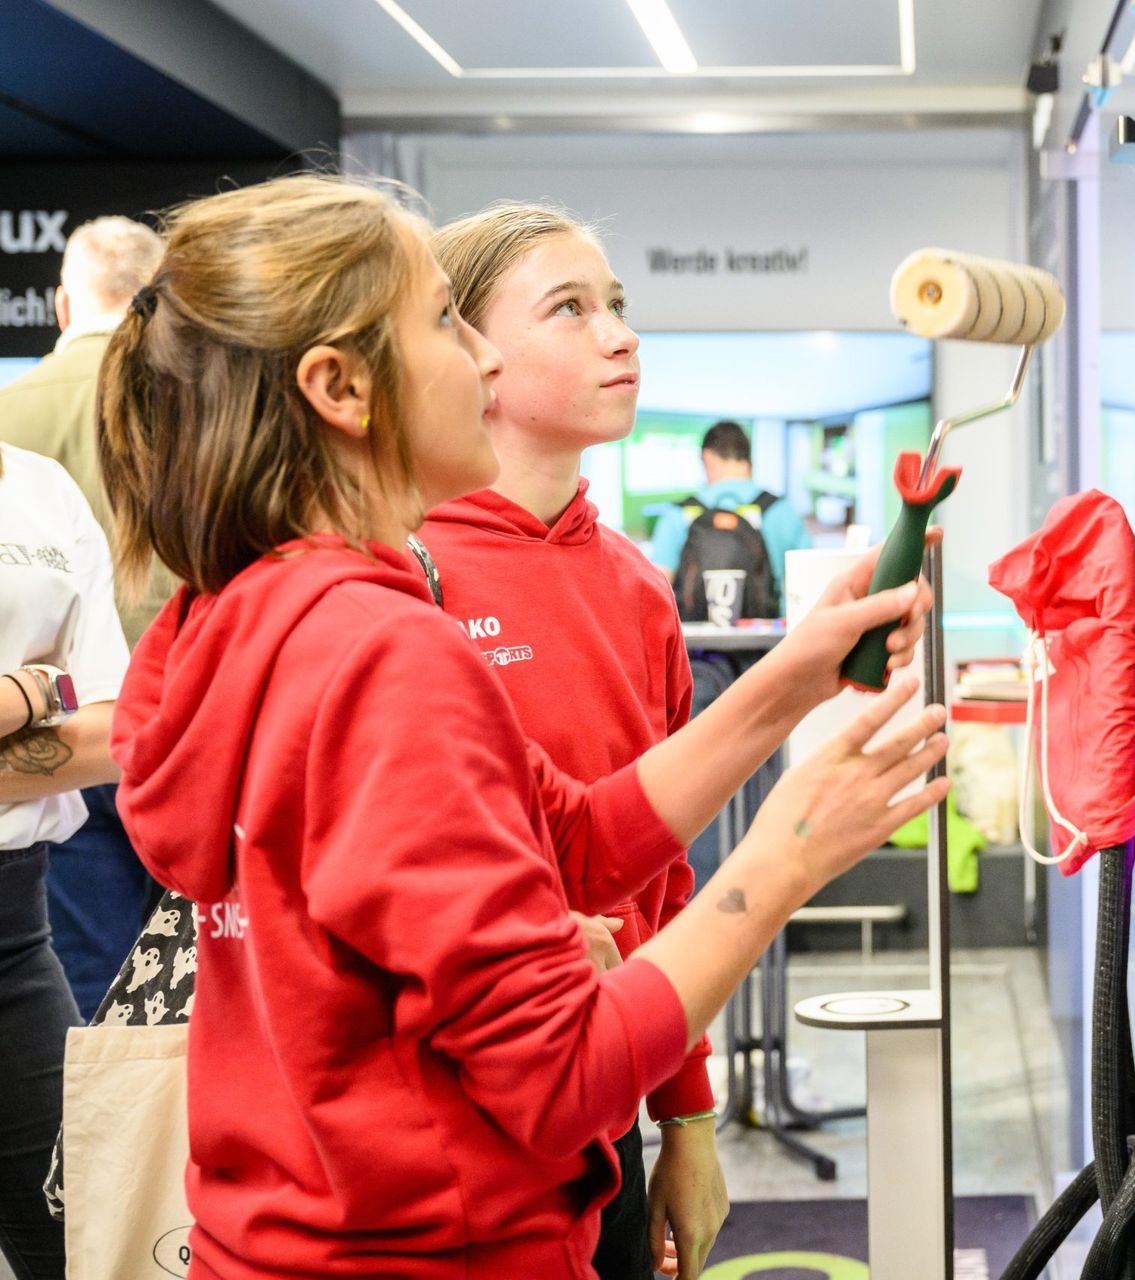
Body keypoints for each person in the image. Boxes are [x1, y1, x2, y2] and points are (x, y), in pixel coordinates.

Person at [94, 173, 949, 1279]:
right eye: (446, 322)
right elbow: (561, 1074)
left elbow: (578, 840)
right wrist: (790, 849)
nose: (483, 362)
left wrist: (791, 678)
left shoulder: (241, 612)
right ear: (341, 387)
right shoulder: (385, 652)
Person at [425, 204, 927, 1279]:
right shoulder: (404, 579)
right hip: (449, 1124)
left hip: (601, 1098)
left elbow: (645, 874)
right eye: (570, 308)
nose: (621, 334)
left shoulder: (637, 587)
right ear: (471, 354)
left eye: (617, 304)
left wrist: (684, 1115)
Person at [0, 214, 171, 1017]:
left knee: (94, 980)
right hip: (176, 717)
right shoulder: (202, 401)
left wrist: (34, 691)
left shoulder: (17, 410)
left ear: (63, 306)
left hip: (66, 742)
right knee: (186, 978)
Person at [0, 442, 129, 1280]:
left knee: (82, 1243)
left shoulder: (43, 488)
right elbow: (76, 699)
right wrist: (34, 689)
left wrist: (55, 696)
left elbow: (114, 728)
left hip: (13, 937)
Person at [650, 420, 811, 619]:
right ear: (748, 459)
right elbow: (809, 585)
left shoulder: (678, 514)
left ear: (707, 457)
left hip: (693, 637)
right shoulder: (781, 510)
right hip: (766, 635)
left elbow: (658, 592)